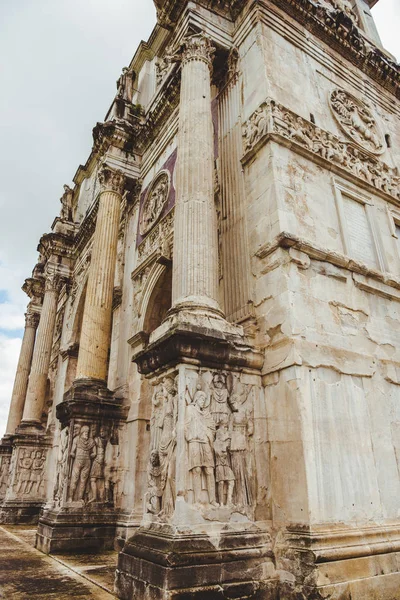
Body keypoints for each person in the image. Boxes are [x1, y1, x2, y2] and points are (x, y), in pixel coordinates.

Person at [185, 389, 217, 506]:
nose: (203, 401)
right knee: (197, 469)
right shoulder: (190, 410)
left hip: (205, 441)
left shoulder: (206, 414)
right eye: (201, 399)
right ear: (196, 399)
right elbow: (186, 425)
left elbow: (213, 427)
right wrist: (189, 437)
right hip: (194, 441)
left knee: (209, 469)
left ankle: (212, 499)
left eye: (204, 399)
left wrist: (208, 433)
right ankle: (197, 499)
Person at [68, 425, 96, 502]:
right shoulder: (77, 439)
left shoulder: (91, 441)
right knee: (74, 479)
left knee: (83, 481)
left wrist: (92, 455)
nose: (86, 433)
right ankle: (71, 496)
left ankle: (80, 498)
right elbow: (72, 451)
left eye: (87, 432)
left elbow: (94, 452)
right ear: (82, 432)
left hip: (87, 461)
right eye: (85, 431)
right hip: (78, 460)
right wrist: (72, 454)